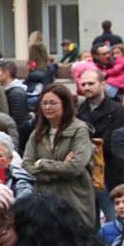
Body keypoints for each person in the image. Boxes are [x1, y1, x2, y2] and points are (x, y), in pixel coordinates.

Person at [24, 85, 96, 231]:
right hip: (44, 200)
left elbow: (75, 167)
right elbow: (27, 165)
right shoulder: (37, 133)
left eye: (53, 103)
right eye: (44, 103)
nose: (48, 107)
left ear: (65, 104)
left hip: (73, 199)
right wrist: (57, 169)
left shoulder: (79, 130)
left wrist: (42, 164)